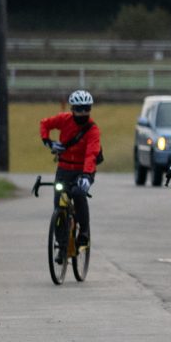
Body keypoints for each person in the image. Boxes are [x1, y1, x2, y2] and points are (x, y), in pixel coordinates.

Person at [36, 89, 104, 241]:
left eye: (87, 108)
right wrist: (48, 141)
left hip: (83, 170)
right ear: (72, 109)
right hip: (64, 169)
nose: (83, 113)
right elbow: (44, 124)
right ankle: (61, 244)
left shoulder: (93, 130)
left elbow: (91, 154)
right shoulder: (64, 120)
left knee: (78, 193)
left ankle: (84, 232)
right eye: (79, 109)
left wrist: (87, 175)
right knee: (58, 204)